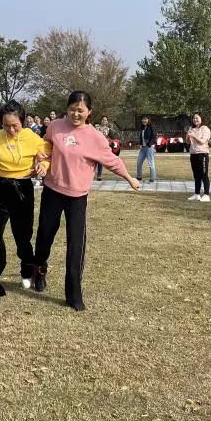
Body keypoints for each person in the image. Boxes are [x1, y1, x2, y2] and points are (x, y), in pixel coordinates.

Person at [34, 91, 140, 311]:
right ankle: (40, 268)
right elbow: (46, 147)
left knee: (76, 245)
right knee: (44, 236)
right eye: (72, 108)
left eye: (80, 110)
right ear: (67, 108)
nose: (75, 113)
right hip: (53, 191)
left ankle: (73, 295)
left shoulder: (95, 137)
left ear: (89, 112)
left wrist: (129, 178)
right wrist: (42, 163)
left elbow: (111, 160)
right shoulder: (55, 126)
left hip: (77, 197)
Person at [0, 100, 49, 307]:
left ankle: (27, 266)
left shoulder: (33, 138)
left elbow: (46, 156)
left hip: (22, 188)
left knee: (23, 235)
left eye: (15, 125)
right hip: (0, 188)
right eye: (6, 125)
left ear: (23, 121)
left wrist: (43, 165)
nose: (10, 129)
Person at [186, 113, 211, 202]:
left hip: (202, 154)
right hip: (193, 154)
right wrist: (188, 137)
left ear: (201, 119)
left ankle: (206, 194)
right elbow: (188, 142)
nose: (195, 120)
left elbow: (202, 141)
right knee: (196, 175)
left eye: (197, 118)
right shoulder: (191, 128)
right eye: (194, 118)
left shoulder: (205, 129)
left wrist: (194, 136)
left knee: (204, 175)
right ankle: (197, 194)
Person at [93, 115, 117, 181]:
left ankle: (99, 176)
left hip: (103, 147)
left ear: (107, 122)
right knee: (93, 161)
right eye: (103, 119)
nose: (104, 121)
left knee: (100, 162)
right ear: (100, 120)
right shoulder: (96, 127)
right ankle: (91, 174)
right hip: (95, 146)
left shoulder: (108, 129)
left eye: (106, 120)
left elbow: (114, 137)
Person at [136, 115, 157, 184]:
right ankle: (139, 177)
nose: (144, 120)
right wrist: (141, 144)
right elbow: (141, 137)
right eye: (143, 119)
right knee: (139, 162)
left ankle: (152, 178)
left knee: (151, 163)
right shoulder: (143, 127)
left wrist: (149, 144)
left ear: (148, 120)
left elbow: (153, 137)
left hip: (149, 148)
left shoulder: (151, 127)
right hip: (143, 148)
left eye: (145, 119)